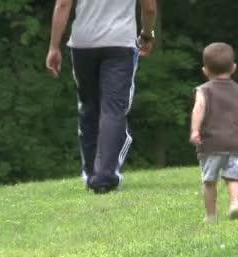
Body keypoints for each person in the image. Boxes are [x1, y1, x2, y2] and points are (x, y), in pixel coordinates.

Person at [46, 0, 157, 194]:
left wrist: (54, 46)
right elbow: (149, 8)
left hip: (83, 44)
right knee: (113, 109)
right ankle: (105, 175)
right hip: (120, 43)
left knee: (88, 106)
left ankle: (91, 173)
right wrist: (147, 34)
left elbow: (63, 4)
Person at [190, 43, 238, 224]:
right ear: (233, 67)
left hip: (211, 143)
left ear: (205, 70)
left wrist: (195, 130)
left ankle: (211, 216)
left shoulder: (203, 90)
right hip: (236, 141)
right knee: (234, 176)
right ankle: (235, 203)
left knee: (209, 181)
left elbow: (199, 109)